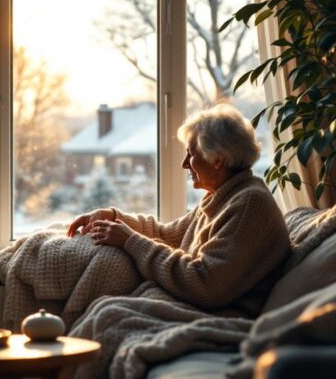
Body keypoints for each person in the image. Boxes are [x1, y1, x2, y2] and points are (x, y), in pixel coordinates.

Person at [66, 103, 290, 317]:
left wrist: (129, 240)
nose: (184, 164)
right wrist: (113, 216)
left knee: (108, 313)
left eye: (191, 154)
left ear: (218, 160)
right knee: (104, 307)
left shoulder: (249, 204)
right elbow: (167, 234)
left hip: (221, 315)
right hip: (197, 308)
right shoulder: (223, 196)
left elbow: (205, 284)